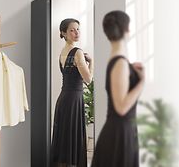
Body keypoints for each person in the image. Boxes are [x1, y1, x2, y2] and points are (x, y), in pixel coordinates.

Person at [91, 10, 145, 167]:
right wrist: (141, 82)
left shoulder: (120, 61)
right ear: (126, 29)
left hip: (122, 131)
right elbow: (121, 108)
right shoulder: (120, 62)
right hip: (119, 134)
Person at [51, 18, 93, 167]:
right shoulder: (77, 52)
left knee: (65, 138)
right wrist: (92, 62)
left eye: (78, 29)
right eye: (72, 30)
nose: (76, 33)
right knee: (72, 137)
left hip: (63, 99)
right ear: (64, 33)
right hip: (74, 99)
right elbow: (88, 79)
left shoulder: (63, 52)